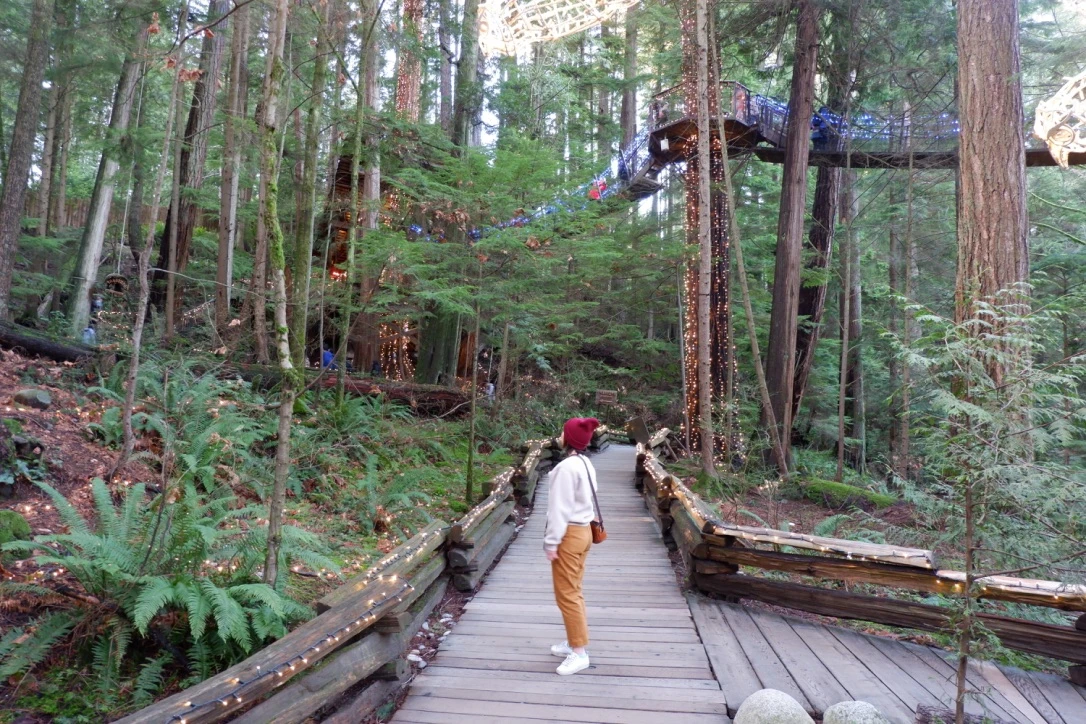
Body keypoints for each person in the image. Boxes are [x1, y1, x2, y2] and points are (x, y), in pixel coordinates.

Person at [544, 416, 601, 676]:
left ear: (568, 439)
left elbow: (559, 509)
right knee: (574, 590)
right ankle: (572, 641)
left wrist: (551, 542)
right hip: (585, 533)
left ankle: (579, 653)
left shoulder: (566, 468)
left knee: (567, 595)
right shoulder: (586, 463)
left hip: (569, 535)